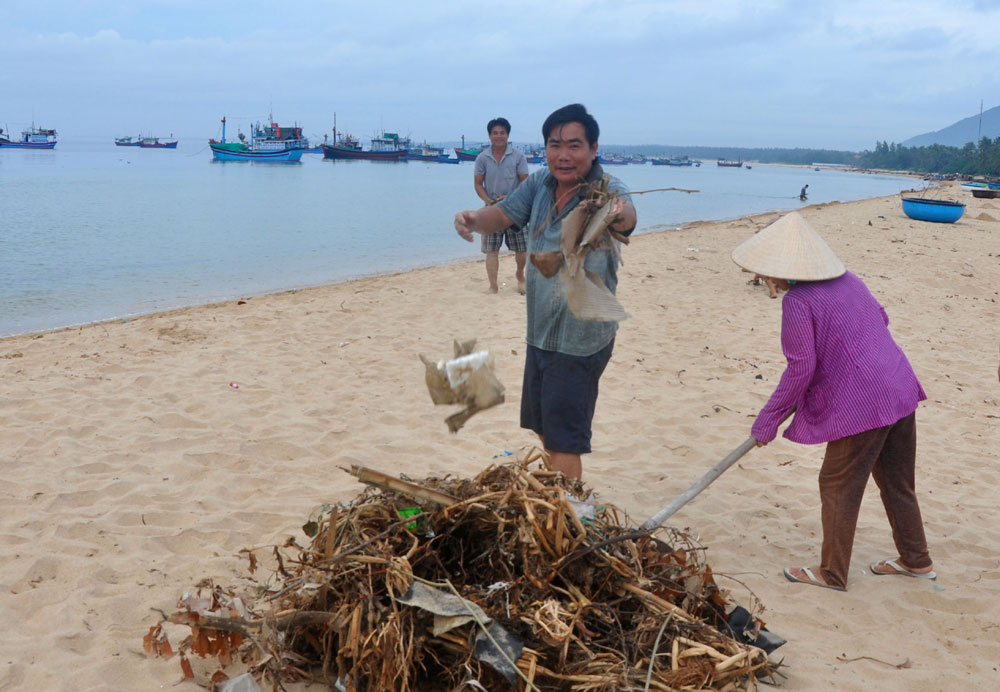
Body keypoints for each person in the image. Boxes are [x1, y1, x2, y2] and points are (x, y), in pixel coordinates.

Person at [731, 211, 933, 591]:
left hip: (866, 401)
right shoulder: (850, 280)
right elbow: (881, 321)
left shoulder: (799, 302)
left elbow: (800, 369)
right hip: (899, 385)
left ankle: (833, 573)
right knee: (897, 481)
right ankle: (917, 561)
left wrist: (768, 420)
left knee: (838, 482)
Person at [454, 104, 637, 479]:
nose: (564, 155)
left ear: (593, 148)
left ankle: (572, 513)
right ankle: (562, 490)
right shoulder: (539, 184)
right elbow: (503, 214)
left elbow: (628, 214)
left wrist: (614, 212)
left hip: (580, 338)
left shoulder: (608, 188)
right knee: (542, 423)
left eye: (574, 145)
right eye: (555, 145)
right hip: (541, 332)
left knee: (563, 438)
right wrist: (473, 219)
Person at [473, 118, 530, 294]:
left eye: (502, 133)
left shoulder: (518, 156)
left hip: (515, 209)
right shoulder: (482, 157)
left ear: (508, 135)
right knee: (492, 250)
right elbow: (478, 184)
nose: (499, 136)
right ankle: (493, 286)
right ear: (490, 135)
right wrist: (488, 201)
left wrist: (511, 197)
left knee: (522, 249)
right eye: (495, 133)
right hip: (491, 209)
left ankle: (520, 276)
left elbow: (525, 182)